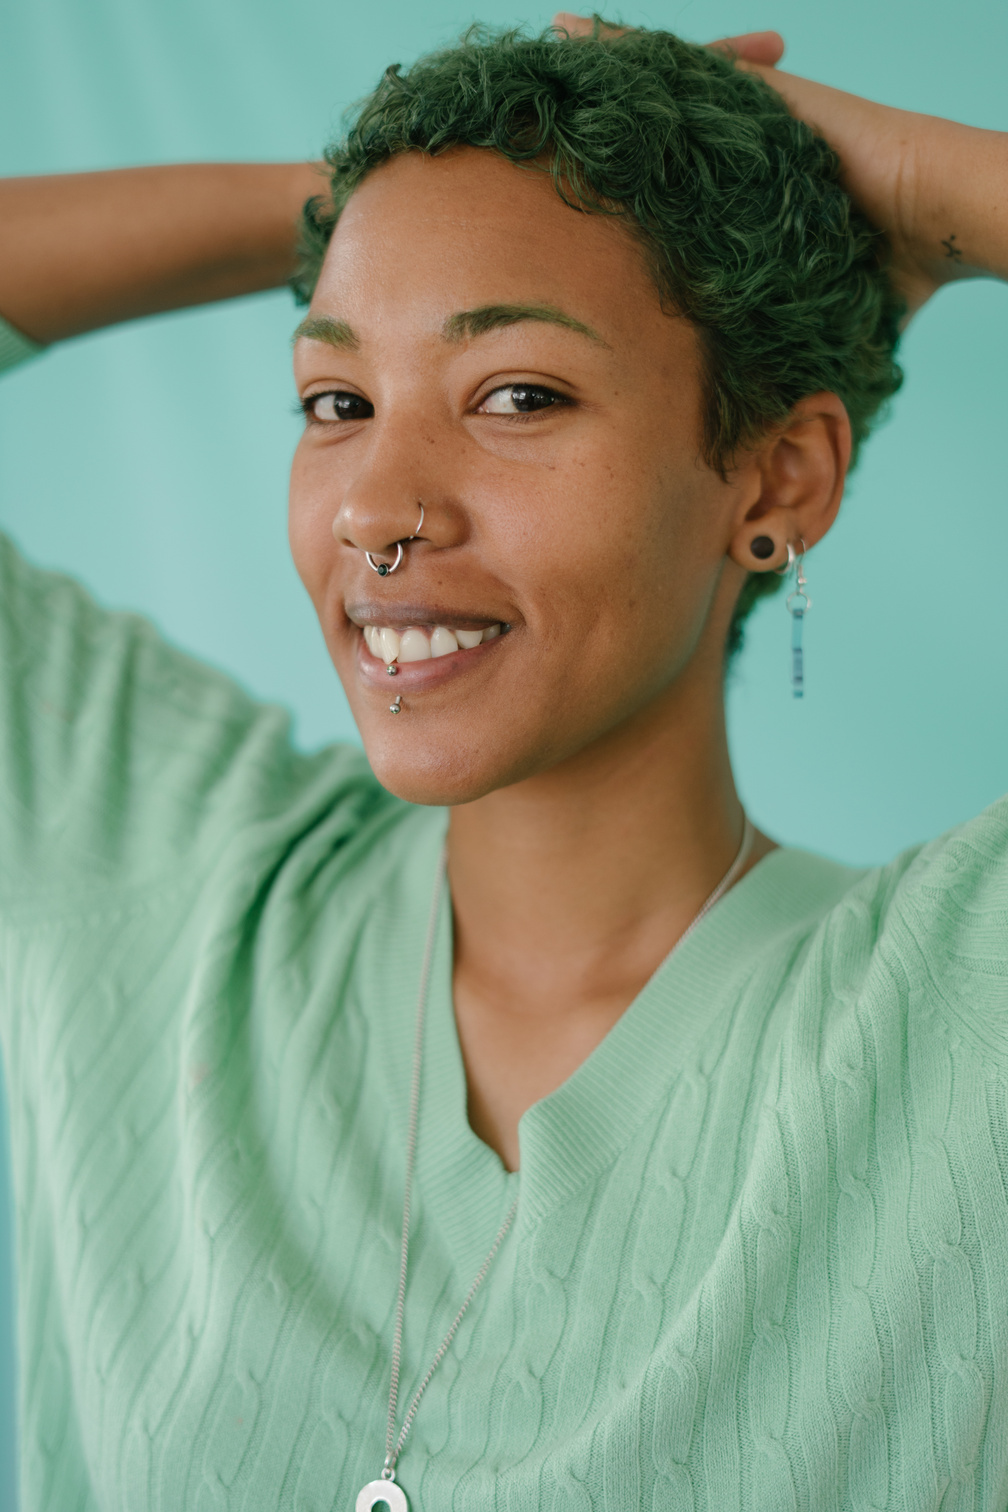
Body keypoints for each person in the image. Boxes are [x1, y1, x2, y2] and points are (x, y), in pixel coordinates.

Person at [0, 14, 1006, 1510]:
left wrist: (924, 189)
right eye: (336, 402)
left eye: (517, 395)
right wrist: (373, 194)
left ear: (779, 479)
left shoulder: (958, 1017)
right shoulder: (162, 878)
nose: (379, 510)